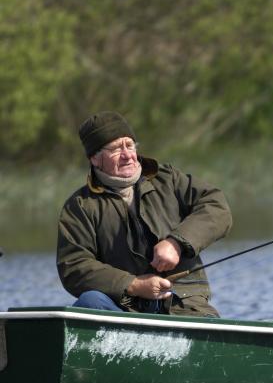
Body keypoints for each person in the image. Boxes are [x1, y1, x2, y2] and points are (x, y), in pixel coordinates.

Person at [57, 111, 232, 317]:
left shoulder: (169, 180)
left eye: (130, 145)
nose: (127, 155)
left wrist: (177, 242)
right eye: (115, 149)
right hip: (123, 308)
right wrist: (133, 285)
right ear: (94, 158)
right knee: (89, 302)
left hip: (183, 305)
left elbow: (216, 206)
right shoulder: (79, 207)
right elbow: (74, 266)